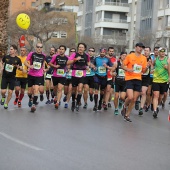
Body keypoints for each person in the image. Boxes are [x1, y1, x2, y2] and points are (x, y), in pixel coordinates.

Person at [121, 43, 147, 122]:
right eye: (139, 47)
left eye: (142, 47)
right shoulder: (130, 56)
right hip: (129, 78)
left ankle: (127, 115)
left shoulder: (144, 58)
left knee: (134, 99)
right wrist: (129, 69)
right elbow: (123, 65)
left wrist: (146, 68)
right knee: (130, 97)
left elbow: (143, 70)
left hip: (138, 79)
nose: (140, 49)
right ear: (136, 47)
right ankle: (124, 106)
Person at [48, 45, 73, 109]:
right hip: (55, 75)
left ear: (65, 50)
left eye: (62, 49)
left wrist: (67, 68)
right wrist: (55, 66)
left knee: (60, 88)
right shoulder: (55, 56)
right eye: (60, 49)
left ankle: (58, 102)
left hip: (63, 75)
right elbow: (50, 63)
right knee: (55, 89)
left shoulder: (67, 57)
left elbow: (69, 64)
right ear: (59, 50)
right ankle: (56, 97)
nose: (61, 50)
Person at [24, 43, 46, 112]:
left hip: (39, 76)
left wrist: (44, 69)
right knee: (29, 92)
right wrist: (30, 66)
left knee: (36, 89)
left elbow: (44, 63)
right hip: (31, 75)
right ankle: (31, 98)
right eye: (38, 47)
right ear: (36, 47)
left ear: (42, 48)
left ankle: (33, 105)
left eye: (40, 47)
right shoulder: (32, 54)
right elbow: (25, 62)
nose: (39, 48)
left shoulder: (43, 55)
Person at [69, 43, 91, 112]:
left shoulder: (86, 55)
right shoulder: (74, 54)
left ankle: (78, 103)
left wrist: (88, 66)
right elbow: (68, 62)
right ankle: (73, 102)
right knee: (74, 90)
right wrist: (75, 59)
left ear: (84, 49)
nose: (80, 48)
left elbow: (88, 62)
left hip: (82, 74)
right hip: (74, 73)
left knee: (80, 89)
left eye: (82, 47)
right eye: (79, 47)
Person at [0, 45, 22, 109]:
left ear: (15, 50)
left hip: (12, 77)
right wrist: (1, 67)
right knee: (3, 91)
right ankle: (3, 97)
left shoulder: (17, 59)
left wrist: (19, 67)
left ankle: (6, 103)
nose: (10, 50)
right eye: (10, 49)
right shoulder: (6, 57)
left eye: (12, 49)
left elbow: (21, 67)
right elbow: (1, 61)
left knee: (10, 92)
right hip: (5, 76)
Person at [152, 47, 170, 118]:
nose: (163, 53)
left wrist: (167, 68)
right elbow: (153, 64)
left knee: (160, 96)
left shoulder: (167, 60)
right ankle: (155, 110)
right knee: (156, 95)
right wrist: (153, 69)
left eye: (164, 51)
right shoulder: (156, 59)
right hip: (156, 80)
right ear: (158, 53)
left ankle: (158, 105)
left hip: (164, 80)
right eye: (161, 52)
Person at [138, 47, 152, 115]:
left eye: (147, 51)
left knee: (143, 92)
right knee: (138, 93)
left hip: (146, 78)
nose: (146, 52)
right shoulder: (141, 58)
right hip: (139, 77)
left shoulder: (151, 59)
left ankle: (141, 108)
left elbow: (152, 68)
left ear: (149, 52)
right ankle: (137, 101)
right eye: (145, 50)